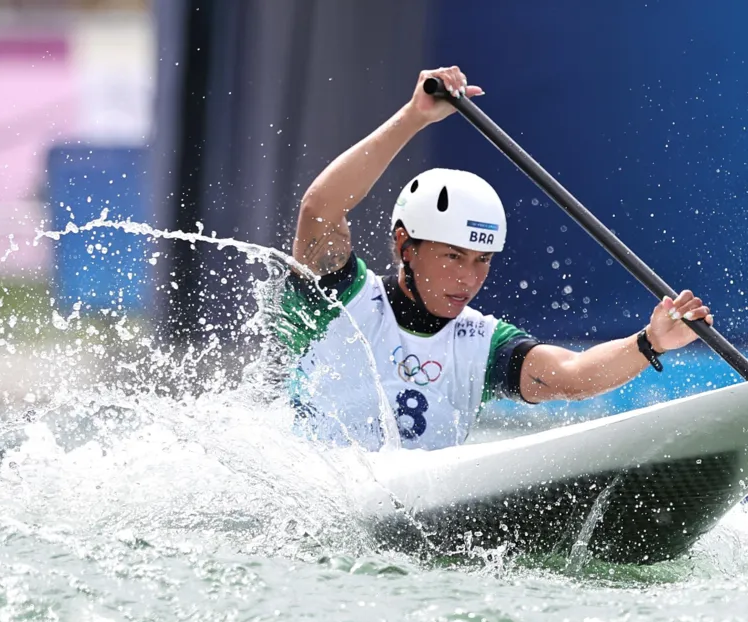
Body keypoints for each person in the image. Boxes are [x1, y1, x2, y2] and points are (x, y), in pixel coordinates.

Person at [276, 66, 713, 451]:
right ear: (406, 245)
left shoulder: (482, 345)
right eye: (453, 256)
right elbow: (319, 209)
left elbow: (572, 376)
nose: (469, 278)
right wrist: (414, 118)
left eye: (483, 259)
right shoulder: (339, 299)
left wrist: (650, 342)